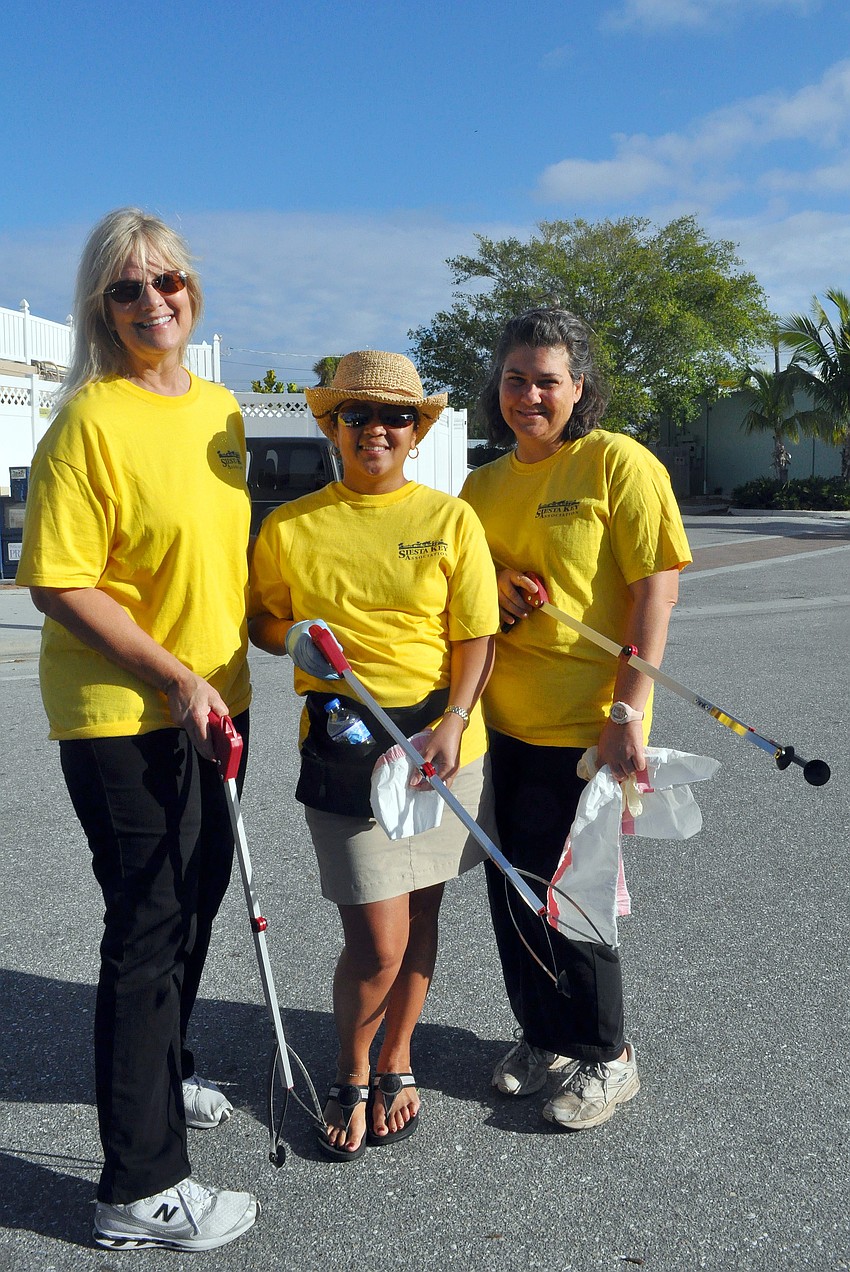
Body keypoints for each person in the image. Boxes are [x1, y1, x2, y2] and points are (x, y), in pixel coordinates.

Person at [16, 208, 259, 1250]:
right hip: (126, 714)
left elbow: (218, 558)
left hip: (221, 703)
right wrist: (172, 677)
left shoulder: (219, 412)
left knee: (194, 910)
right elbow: (61, 584)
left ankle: (163, 1077)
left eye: (168, 281)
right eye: (128, 288)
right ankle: (139, 1187)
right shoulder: (87, 422)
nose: (154, 301)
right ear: (99, 308)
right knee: (150, 926)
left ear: (192, 289)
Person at [248, 350, 498, 1160]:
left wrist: (457, 720)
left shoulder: (451, 519)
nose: (376, 430)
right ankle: (352, 1069)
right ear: (332, 427)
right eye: (357, 416)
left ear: (417, 431)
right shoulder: (290, 525)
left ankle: (399, 1055)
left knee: (423, 911)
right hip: (344, 747)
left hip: (439, 742)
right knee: (377, 940)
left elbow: (475, 632)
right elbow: (261, 621)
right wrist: (290, 639)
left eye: (395, 416)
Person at [460, 308, 692, 1131]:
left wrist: (629, 710)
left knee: (577, 898)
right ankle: (543, 1036)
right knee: (514, 891)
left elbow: (654, 589)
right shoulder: (482, 486)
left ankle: (607, 1056)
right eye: (515, 378)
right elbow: (466, 589)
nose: (528, 395)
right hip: (500, 726)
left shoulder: (615, 463)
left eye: (547, 380)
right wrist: (496, 585)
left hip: (589, 730)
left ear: (579, 388)